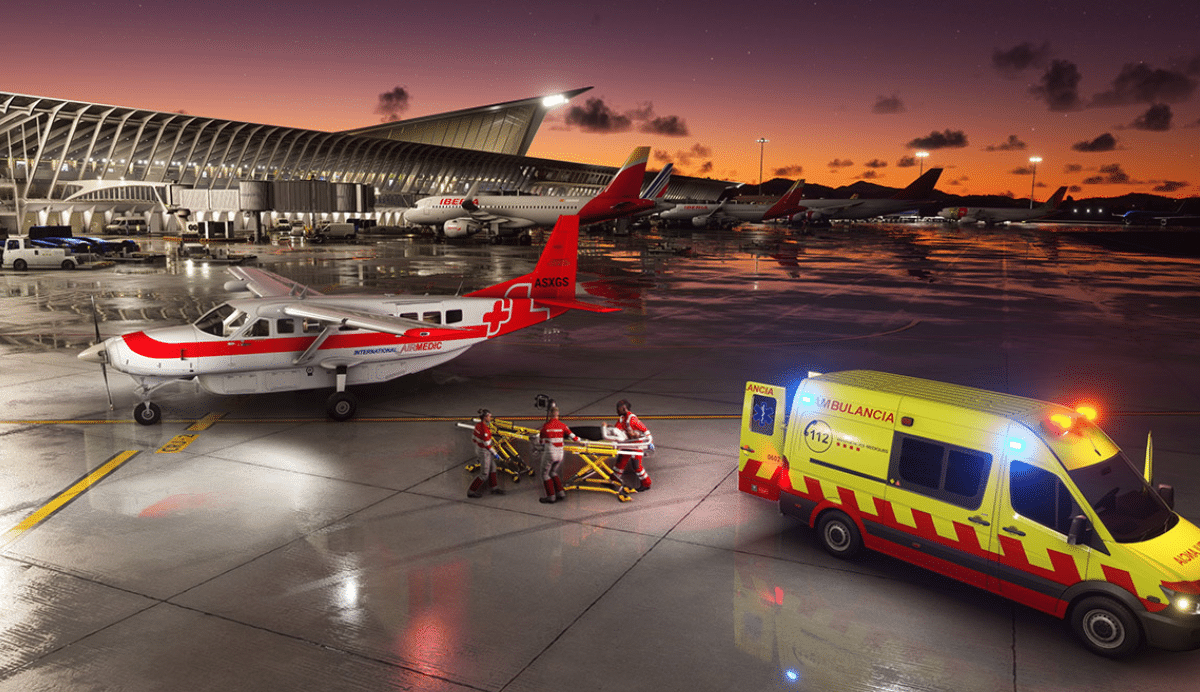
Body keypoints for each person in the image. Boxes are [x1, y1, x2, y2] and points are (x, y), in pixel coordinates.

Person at [537, 404, 580, 503]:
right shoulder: (563, 426)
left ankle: (551, 497)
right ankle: (560, 493)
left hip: (550, 453)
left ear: (550, 414)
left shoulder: (546, 427)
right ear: (558, 415)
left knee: (544, 474)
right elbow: (574, 437)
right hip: (560, 454)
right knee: (553, 472)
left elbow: (541, 442)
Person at [612, 399, 652, 491]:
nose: (616, 411)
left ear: (624, 408)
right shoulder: (622, 418)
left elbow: (645, 430)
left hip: (636, 446)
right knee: (620, 462)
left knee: (637, 466)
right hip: (628, 444)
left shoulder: (632, 419)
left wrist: (650, 443)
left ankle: (646, 484)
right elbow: (617, 429)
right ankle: (614, 480)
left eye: (618, 409)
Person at [468, 409, 504, 498]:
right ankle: (471, 491)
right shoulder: (485, 430)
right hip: (484, 451)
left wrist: (479, 448)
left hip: (479, 449)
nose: (490, 418)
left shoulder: (478, 425)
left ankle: (494, 488)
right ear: (485, 417)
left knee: (493, 467)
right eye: (489, 416)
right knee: (484, 474)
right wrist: (495, 454)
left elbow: (473, 438)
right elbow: (487, 446)